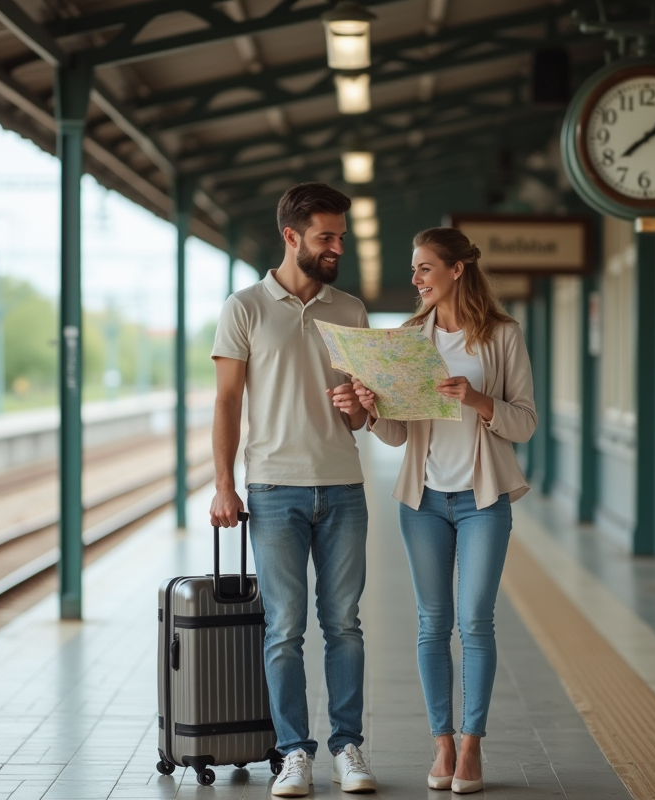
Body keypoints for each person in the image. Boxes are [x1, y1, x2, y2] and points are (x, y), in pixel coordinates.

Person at [353, 227, 537, 794]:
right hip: (424, 501)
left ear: (457, 270)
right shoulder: (411, 339)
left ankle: (472, 744)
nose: (415, 279)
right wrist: (373, 409)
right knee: (433, 623)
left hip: (483, 500)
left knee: (475, 621)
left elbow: (525, 423)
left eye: (425, 268)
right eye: (414, 269)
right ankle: (442, 743)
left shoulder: (502, 336)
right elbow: (397, 435)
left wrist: (477, 400)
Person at [209, 182, 378, 797]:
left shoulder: (351, 311)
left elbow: (361, 416)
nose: (338, 247)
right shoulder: (245, 307)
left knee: (345, 625)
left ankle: (348, 748)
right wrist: (224, 485)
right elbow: (227, 402)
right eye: (325, 237)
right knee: (283, 628)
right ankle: (293, 754)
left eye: (341, 236)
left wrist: (358, 406)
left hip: (343, 487)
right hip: (274, 489)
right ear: (291, 236)